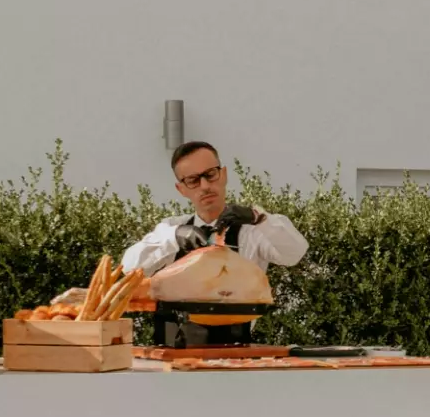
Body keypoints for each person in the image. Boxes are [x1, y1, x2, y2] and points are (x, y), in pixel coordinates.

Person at [122, 141, 307, 345]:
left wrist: (259, 217)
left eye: (210, 174)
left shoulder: (252, 231)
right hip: (171, 353)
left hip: (233, 353)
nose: (205, 186)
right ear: (181, 189)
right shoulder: (171, 229)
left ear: (224, 174)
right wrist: (174, 237)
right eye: (193, 180)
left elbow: (295, 253)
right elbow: (129, 267)